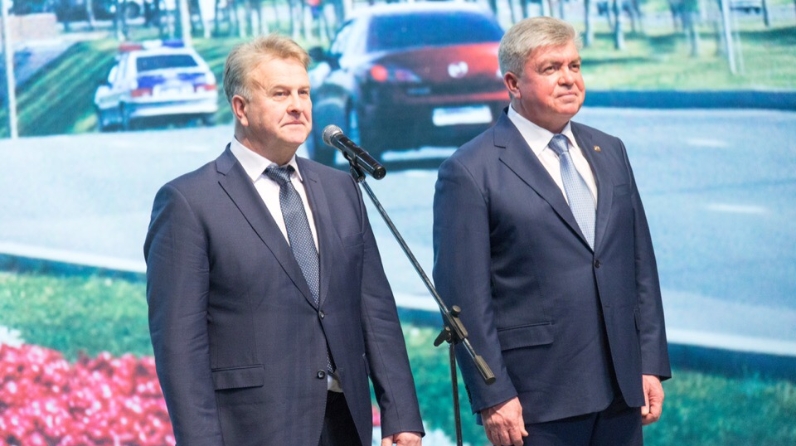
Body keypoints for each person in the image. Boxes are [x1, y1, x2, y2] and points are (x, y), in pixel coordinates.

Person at [144, 34, 424, 446]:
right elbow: (179, 346)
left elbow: (375, 309)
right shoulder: (189, 202)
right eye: (280, 94)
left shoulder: (341, 189)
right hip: (254, 429)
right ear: (241, 108)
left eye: (303, 92)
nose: (298, 105)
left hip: (345, 424)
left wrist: (401, 415)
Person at [432, 17, 670, 446]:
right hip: (536, 402)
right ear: (513, 83)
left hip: (621, 391)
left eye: (574, 66)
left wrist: (649, 362)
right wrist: (493, 395)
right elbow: (463, 299)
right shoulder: (469, 170)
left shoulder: (610, 150)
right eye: (551, 68)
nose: (568, 79)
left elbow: (639, 266)